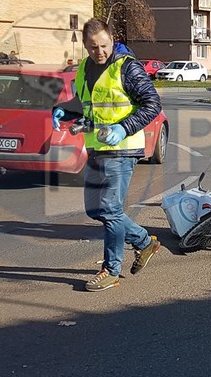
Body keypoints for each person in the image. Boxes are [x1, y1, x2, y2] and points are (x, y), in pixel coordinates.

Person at [52, 19, 163, 292]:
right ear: (85, 45)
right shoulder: (84, 68)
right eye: (93, 47)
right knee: (95, 209)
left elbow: (152, 104)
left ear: (112, 40)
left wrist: (123, 128)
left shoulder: (127, 67)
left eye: (104, 45)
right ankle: (144, 242)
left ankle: (111, 270)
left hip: (123, 147)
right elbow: (86, 103)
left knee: (110, 209)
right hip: (96, 147)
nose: (99, 52)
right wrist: (65, 109)